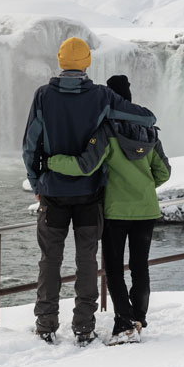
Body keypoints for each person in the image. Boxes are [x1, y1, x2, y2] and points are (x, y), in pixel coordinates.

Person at [22, 37, 155, 345]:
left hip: (53, 194)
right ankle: (83, 327)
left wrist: (37, 182)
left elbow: (30, 146)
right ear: (87, 63)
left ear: (60, 61)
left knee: (49, 260)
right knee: (87, 261)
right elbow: (147, 118)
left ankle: (46, 325)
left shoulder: (43, 96)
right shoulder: (101, 97)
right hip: (89, 195)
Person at [47, 73, 170, 342]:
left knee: (114, 270)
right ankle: (137, 319)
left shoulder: (107, 131)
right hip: (147, 210)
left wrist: (51, 161)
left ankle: (123, 324)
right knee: (140, 267)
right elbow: (164, 172)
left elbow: (85, 165)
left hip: (116, 212)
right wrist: (144, 186)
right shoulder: (149, 132)